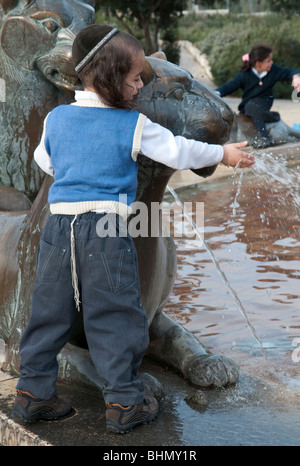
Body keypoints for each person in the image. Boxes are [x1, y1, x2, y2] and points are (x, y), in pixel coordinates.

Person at [11, 24, 255, 434]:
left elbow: (44, 162)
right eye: (135, 78)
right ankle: (125, 402)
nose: (141, 85)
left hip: (58, 229)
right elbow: (179, 151)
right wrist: (224, 154)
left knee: (48, 313)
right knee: (115, 315)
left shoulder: (57, 119)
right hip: (105, 229)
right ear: (110, 82)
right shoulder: (132, 126)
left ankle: (33, 394)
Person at [215, 44, 300, 148]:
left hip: (264, 103)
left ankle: (264, 138)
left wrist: (295, 77)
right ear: (258, 63)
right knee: (250, 106)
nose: (271, 63)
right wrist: (217, 93)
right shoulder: (245, 75)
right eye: (268, 61)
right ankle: (267, 130)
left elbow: (288, 72)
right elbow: (231, 85)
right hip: (248, 108)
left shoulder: (273, 71)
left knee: (251, 106)